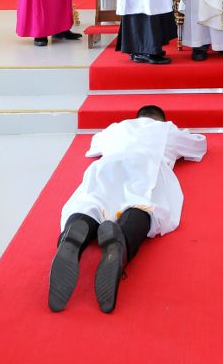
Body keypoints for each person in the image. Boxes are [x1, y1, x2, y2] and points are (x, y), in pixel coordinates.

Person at [48, 105, 207, 313]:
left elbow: (93, 147)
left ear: (137, 117)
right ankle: (120, 241)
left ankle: (76, 229)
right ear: (159, 119)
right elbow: (198, 146)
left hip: (107, 166)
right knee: (144, 204)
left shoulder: (115, 128)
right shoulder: (166, 129)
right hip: (147, 166)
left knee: (92, 201)